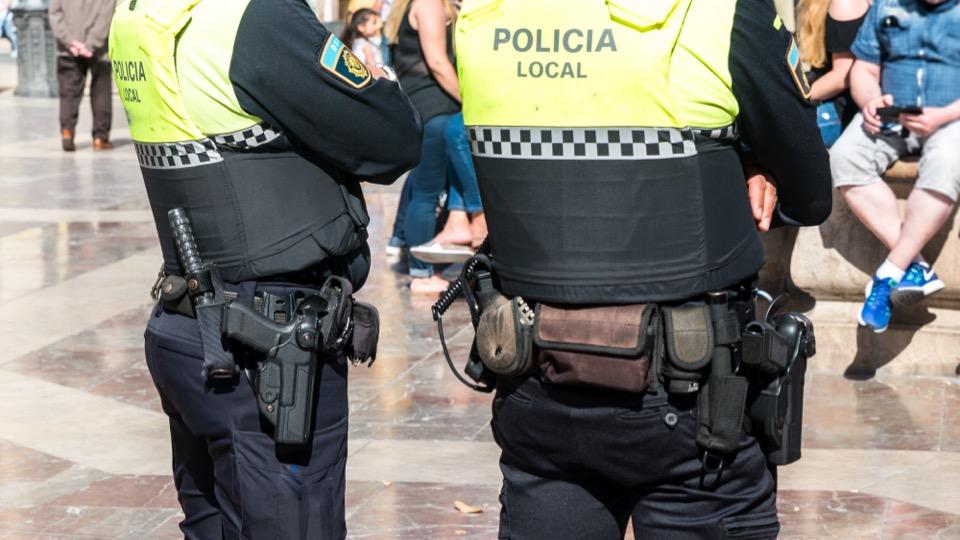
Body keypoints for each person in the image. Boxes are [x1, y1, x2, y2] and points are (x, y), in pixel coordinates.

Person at [455, 0, 832, 537]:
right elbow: (810, 190)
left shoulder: (481, 15)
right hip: (690, 398)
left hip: (537, 379)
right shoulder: (718, 10)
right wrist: (742, 158)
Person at [109, 0, 421, 537]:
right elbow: (391, 138)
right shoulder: (253, 19)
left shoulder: (142, 12)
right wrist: (380, 81)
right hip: (270, 347)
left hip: (191, 323)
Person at [829, 0, 959, 334]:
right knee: (844, 157)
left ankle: (890, 272)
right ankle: (916, 267)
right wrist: (869, 99)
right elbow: (863, 69)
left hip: (951, 118)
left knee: (947, 161)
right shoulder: (887, 4)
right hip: (892, 113)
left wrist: (943, 115)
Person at [386, 0, 465, 294]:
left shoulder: (412, 5)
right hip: (436, 108)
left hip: (423, 106)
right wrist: (466, 100)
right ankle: (422, 274)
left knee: (424, 189)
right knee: (427, 193)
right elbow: (437, 62)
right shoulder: (430, 4)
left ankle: (419, 263)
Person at [797, 0, 872, 145]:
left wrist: (797, 99)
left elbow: (842, 77)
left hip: (840, 108)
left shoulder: (845, 4)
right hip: (824, 96)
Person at [48, 0, 115, 152]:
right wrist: (91, 44)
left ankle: (67, 132)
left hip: (68, 49)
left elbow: (54, 13)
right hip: (99, 50)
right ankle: (100, 137)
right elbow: (106, 15)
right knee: (101, 92)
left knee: (68, 93)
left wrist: (70, 42)